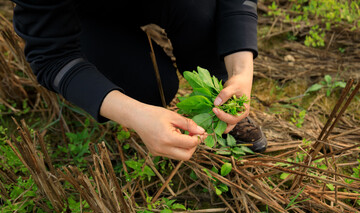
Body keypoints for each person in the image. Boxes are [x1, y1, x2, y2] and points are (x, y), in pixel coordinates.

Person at [11, 0, 267, 161]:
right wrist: (135, 114)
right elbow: (52, 57)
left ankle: (219, 100)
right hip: (80, 12)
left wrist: (241, 70)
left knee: (199, 9)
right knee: (151, 87)